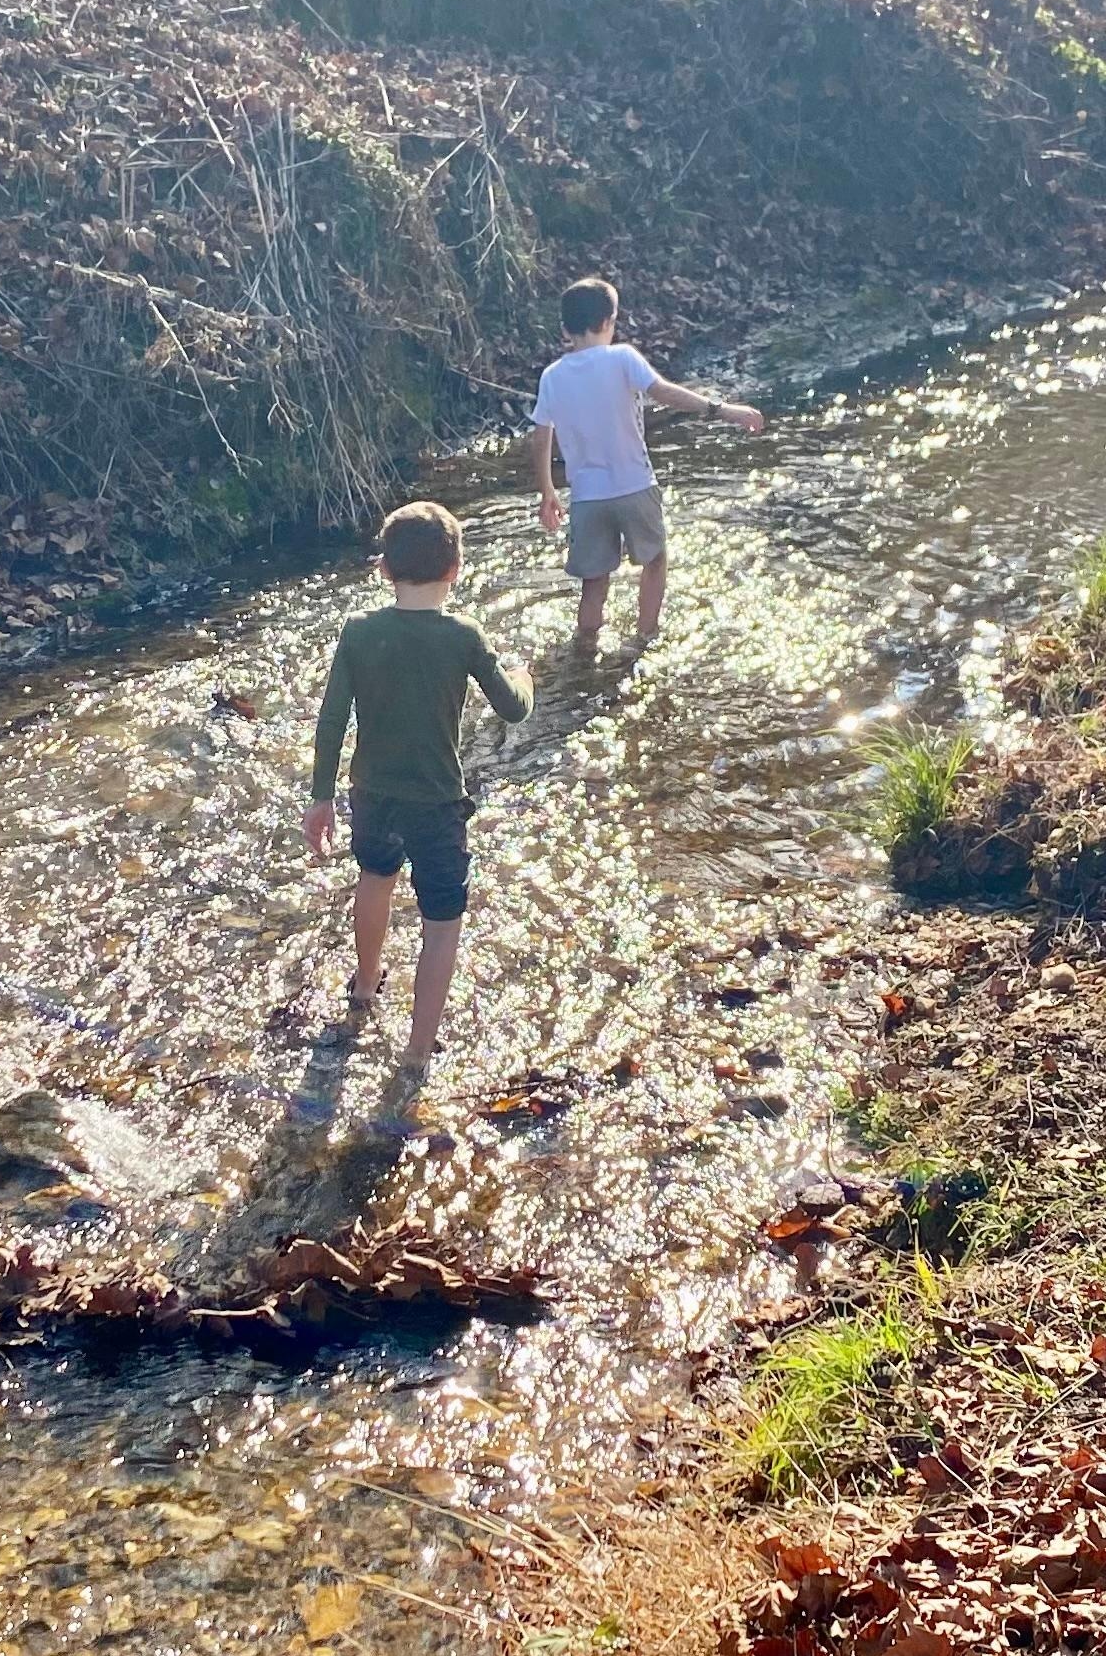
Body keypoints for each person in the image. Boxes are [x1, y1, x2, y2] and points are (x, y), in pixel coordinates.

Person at [305, 501, 529, 1067]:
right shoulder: (464, 636)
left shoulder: (359, 631)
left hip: (371, 793)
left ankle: (364, 984)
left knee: (375, 877)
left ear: (384, 570)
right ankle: (417, 1048)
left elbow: (332, 719)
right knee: (441, 919)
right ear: (456, 570)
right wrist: (525, 677)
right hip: (436, 801)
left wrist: (320, 797)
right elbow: (513, 709)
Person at [529, 275, 766, 662]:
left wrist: (547, 493)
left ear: (564, 329)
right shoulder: (622, 357)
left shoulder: (552, 376)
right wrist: (722, 410)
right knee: (654, 560)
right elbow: (665, 392)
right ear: (608, 321)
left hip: (587, 498)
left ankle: (585, 649)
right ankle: (645, 637)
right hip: (635, 485)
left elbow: (542, 436)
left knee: (594, 580)